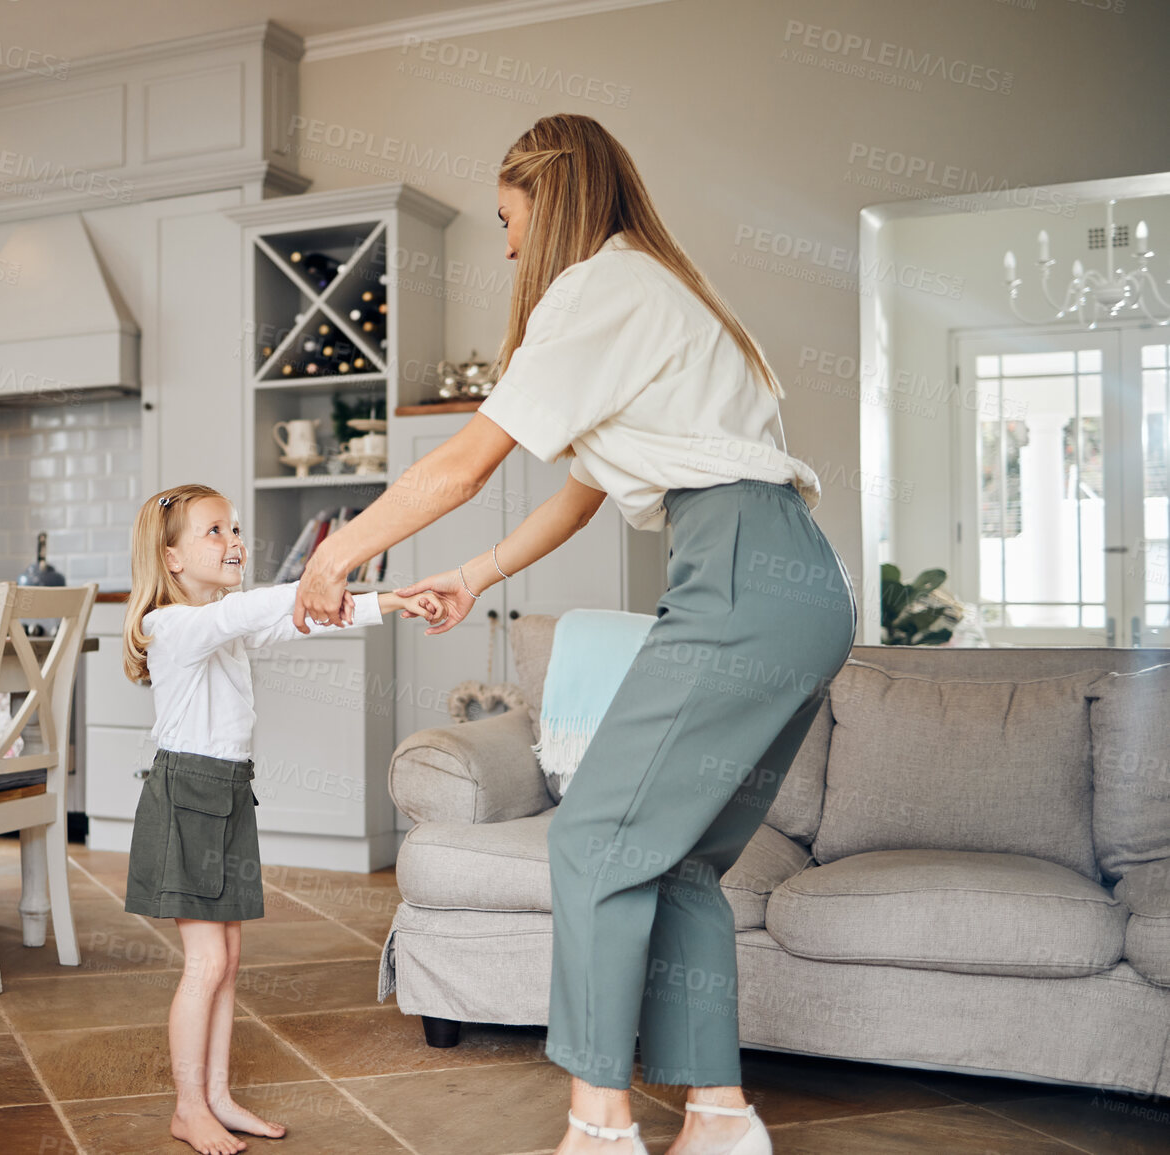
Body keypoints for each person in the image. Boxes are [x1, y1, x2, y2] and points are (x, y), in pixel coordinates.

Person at [291, 113, 856, 1155]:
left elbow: (463, 465)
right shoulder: (655, 289)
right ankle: (721, 1120)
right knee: (673, 859)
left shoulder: (598, 287)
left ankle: (599, 1132)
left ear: (550, 198)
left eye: (509, 219)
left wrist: (335, 555)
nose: (506, 245)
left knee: (594, 839)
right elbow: (580, 494)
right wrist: (471, 574)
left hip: (736, 573)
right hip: (794, 582)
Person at [122, 482, 441, 1155]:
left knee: (229, 958)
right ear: (170, 558)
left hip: (228, 791)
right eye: (214, 531)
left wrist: (390, 599)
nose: (233, 540)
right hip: (187, 796)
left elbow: (310, 612)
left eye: (234, 528)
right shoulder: (173, 625)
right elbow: (265, 605)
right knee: (205, 961)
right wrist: (316, 574)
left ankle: (214, 1095)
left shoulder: (221, 620)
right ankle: (187, 1106)